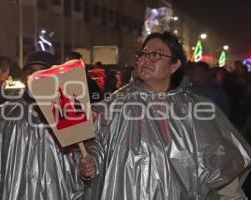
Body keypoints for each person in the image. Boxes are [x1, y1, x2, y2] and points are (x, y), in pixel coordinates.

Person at [79, 32, 251, 199]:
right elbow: (96, 144)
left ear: (175, 65)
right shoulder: (116, 104)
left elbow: (220, 169)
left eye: (155, 54)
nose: (145, 59)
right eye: (143, 54)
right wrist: (91, 163)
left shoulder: (196, 109)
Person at [0, 51, 84, 200]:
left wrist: (87, 167)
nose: (35, 78)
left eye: (42, 72)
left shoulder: (69, 115)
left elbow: (81, 163)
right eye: (30, 72)